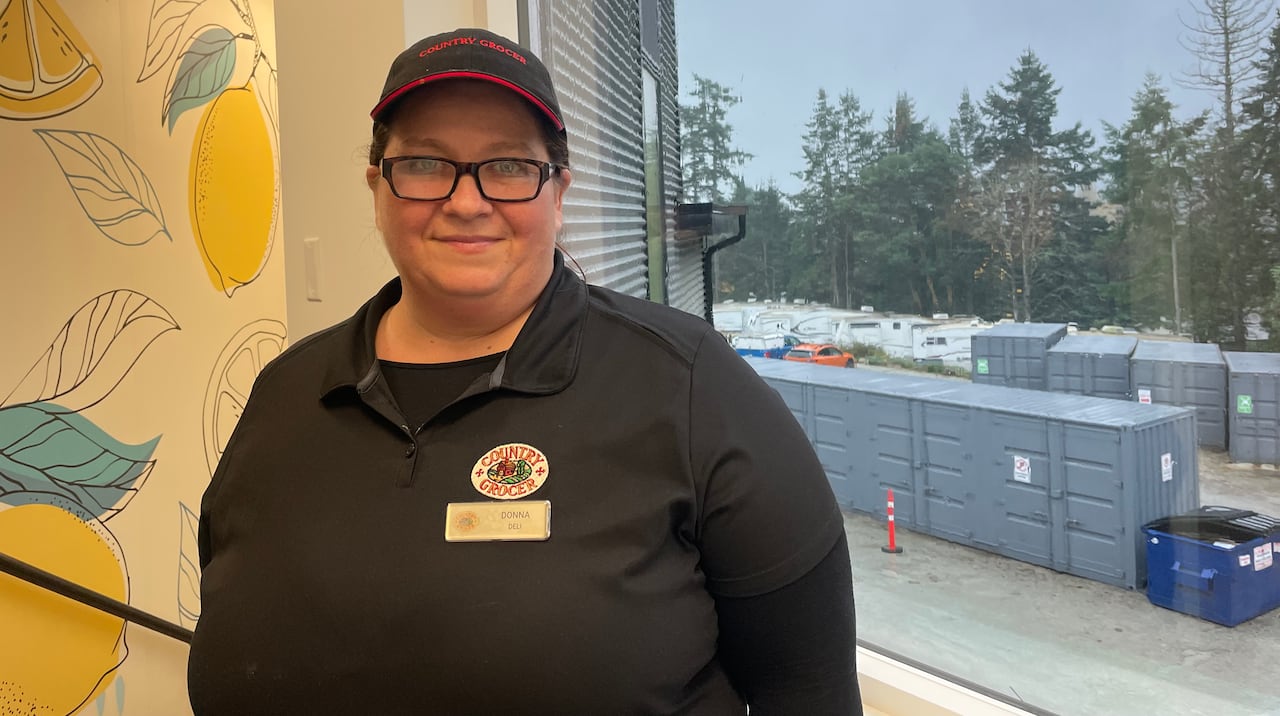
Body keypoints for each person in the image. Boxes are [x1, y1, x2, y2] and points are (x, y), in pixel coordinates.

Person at [187, 27, 861, 715]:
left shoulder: (689, 388)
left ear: (558, 190)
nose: (467, 201)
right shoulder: (287, 394)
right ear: (378, 185)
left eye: (508, 165)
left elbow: (808, 689)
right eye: (425, 163)